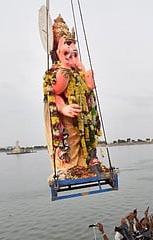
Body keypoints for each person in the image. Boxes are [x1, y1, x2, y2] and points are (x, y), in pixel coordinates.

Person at [43, 15, 102, 175]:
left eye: (74, 53)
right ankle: (68, 167)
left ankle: (88, 162)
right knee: (70, 141)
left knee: (88, 137)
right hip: (69, 119)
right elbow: (53, 94)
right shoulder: (60, 72)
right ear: (57, 53)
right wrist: (64, 108)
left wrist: (88, 80)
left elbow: (87, 90)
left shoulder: (76, 71)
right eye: (66, 53)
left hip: (84, 117)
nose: (71, 56)